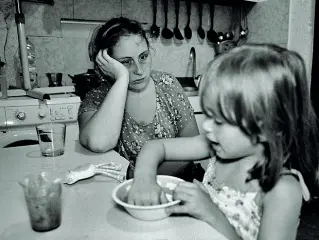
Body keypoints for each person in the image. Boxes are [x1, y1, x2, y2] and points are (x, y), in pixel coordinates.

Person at [127, 44, 319, 240]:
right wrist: (143, 180)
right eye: (208, 115)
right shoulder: (215, 147)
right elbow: (155, 147)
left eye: (219, 120)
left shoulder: (282, 190)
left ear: (265, 129)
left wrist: (211, 213)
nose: (208, 127)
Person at [78, 17, 204, 181]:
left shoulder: (167, 85)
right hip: (127, 194)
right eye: (126, 62)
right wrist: (122, 79)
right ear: (107, 65)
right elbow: (98, 143)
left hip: (178, 184)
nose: (139, 70)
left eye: (143, 57)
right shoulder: (97, 98)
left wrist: (141, 177)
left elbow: (193, 146)